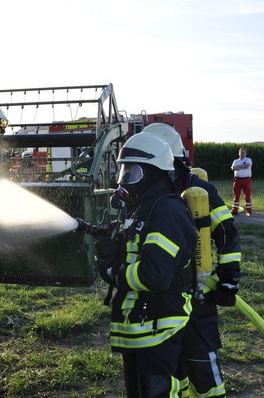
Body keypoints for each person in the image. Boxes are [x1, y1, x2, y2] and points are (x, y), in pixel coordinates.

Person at [77, 132, 198, 397]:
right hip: (140, 327)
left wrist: (113, 272)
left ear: (154, 174)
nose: (125, 180)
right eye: (123, 171)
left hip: (160, 326)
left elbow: (154, 274)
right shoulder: (142, 207)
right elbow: (128, 235)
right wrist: (98, 235)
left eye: (133, 173)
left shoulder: (167, 212)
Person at [142, 123, 242, 398]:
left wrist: (228, 282)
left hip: (198, 295)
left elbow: (227, 233)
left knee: (201, 363)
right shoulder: (147, 195)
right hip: (164, 297)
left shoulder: (199, 189)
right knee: (171, 367)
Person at [231, 147, 253, 217]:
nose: (242, 153)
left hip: (246, 180)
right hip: (237, 180)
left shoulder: (248, 159)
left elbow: (247, 166)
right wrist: (241, 167)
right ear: (239, 153)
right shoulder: (235, 161)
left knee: (247, 195)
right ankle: (234, 210)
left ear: (246, 153)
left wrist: (238, 167)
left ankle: (248, 211)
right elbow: (233, 168)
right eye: (241, 152)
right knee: (236, 195)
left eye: (243, 152)